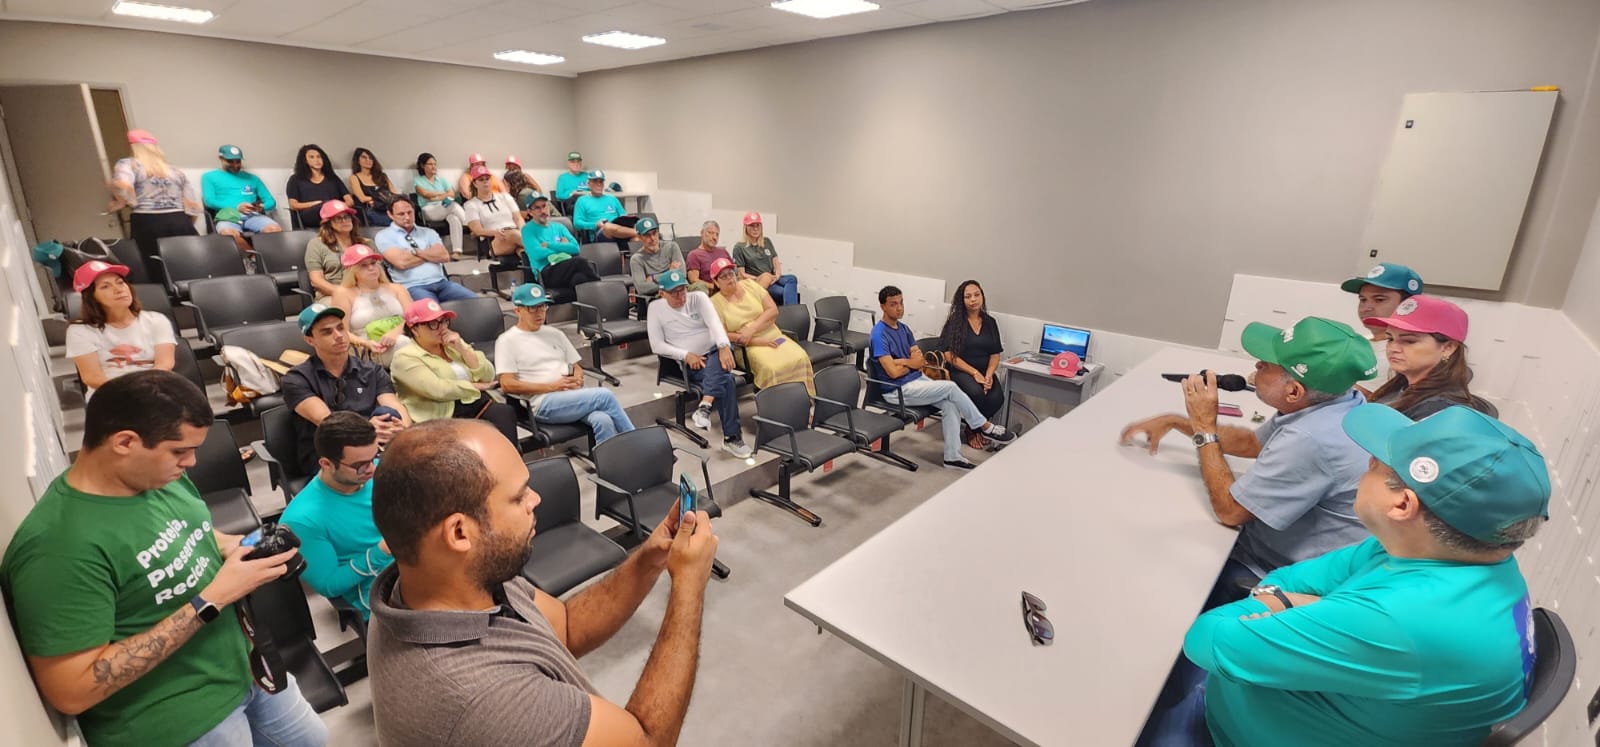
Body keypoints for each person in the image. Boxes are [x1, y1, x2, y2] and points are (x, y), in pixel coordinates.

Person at [1143, 404, 1549, 747]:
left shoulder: (1402, 618)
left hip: (1233, 732)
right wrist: (1297, 601)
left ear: (1402, 504)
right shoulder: (1452, 552)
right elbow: (1291, 579)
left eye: (1374, 462)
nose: (1363, 465)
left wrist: (1286, 603)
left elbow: (1207, 638)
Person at [0, 371, 326, 746]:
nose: (191, 462)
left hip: (249, 670)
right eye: (179, 451)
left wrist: (236, 546)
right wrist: (213, 598)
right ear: (125, 442)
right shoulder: (58, 548)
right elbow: (72, 689)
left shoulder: (157, 478)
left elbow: (193, 530)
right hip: (180, 721)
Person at [367, 418, 719, 746]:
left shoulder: (448, 577)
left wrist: (648, 560)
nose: (536, 499)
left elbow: (565, 627)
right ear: (459, 532)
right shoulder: (486, 700)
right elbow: (648, 741)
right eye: (518, 496)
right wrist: (688, 586)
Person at [1118, 317, 1378, 601]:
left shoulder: (1311, 438)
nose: (1256, 366)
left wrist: (1204, 428)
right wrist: (1179, 422)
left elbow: (1230, 512)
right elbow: (1252, 443)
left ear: (1294, 391)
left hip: (1276, 575)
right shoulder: (1339, 401)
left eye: (1266, 365)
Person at [872, 285, 1017, 470]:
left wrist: (903, 362)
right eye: (893, 304)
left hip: (917, 381)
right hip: (897, 390)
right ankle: (985, 426)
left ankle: (952, 457)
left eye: (901, 303)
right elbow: (893, 373)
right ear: (883, 306)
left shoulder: (904, 329)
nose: (899, 308)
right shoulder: (879, 334)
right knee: (950, 387)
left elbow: (920, 361)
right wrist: (910, 364)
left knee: (950, 404)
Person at [280, 411, 393, 621]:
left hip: (411, 566)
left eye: (374, 457)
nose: (371, 469)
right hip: (377, 595)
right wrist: (383, 551)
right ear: (326, 464)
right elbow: (329, 585)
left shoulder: (378, 472)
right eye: (360, 465)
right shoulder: (302, 519)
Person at [495, 283, 636, 443]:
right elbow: (507, 385)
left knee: (603, 420)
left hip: (571, 395)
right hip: (543, 402)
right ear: (517, 310)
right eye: (532, 308)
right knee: (604, 396)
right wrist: (552, 386)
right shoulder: (507, 341)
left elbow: (576, 366)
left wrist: (577, 377)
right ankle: (639, 445)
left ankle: (610, 459)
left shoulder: (555, 333)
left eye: (542, 306)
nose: (539, 313)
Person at [282, 303, 413, 475]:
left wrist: (400, 428)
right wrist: (368, 429)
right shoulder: (296, 379)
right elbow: (327, 422)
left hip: (374, 447)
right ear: (310, 340)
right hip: (330, 455)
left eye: (340, 328)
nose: (338, 336)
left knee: (391, 417)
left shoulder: (372, 370)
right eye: (327, 332)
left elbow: (395, 406)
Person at [647, 268, 753, 457]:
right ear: (662, 293)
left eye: (682, 290)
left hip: (715, 352)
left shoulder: (698, 298)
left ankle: (705, 406)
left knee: (724, 356)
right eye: (674, 292)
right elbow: (657, 345)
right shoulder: (655, 309)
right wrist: (686, 355)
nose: (681, 296)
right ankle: (731, 438)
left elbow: (715, 324)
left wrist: (723, 346)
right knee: (727, 380)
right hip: (694, 363)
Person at [390, 298, 518, 446]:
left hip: (473, 403)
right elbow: (438, 390)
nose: (442, 328)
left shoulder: (452, 342)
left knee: (504, 413)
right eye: (433, 324)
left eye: (444, 321)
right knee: (478, 436)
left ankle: (511, 458)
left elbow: (488, 375)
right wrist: (475, 386)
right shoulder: (405, 357)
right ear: (414, 329)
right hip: (441, 414)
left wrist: (462, 349)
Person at [1365, 295, 1495, 420]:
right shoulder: (1400, 387)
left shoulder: (1439, 411)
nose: (1393, 348)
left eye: (1409, 341)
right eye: (1390, 339)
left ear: (1448, 348)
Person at [66, 260, 176, 398]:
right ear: (91, 297)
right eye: (105, 286)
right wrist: (130, 393)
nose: (119, 289)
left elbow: (165, 364)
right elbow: (92, 377)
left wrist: (147, 391)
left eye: (120, 282)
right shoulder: (79, 331)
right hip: (111, 395)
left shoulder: (157, 320)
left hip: (155, 390)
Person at [708, 258, 814, 393]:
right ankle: (777, 404)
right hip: (748, 346)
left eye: (731, 273)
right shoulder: (714, 303)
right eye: (723, 276)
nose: (729, 278)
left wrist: (751, 329)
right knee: (772, 368)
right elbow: (722, 335)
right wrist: (756, 340)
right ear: (716, 282)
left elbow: (773, 310)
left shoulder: (750, 285)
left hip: (774, 336)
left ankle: (803, 399)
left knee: (801, 357)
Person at [107, 129, 199, 276]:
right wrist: (187, 224)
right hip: (180, 220)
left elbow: (122, 185)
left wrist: (121, 202)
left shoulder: (129, 164)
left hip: (148, 221)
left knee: (155, 268)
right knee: (188, 266)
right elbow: (193, 206)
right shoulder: (175, 171)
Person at [937, 280, 1005, 448]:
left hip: (984, 370)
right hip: (960, 370)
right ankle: (973, 430)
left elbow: (995, 353)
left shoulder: (990, 322)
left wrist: (989, 375)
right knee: (977, 393)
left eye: (976, 295)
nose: (973, 299)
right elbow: (948, 355)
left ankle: (978, 427)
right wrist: (974, 373)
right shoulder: (955, 322)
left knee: (997, 398)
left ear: (982, 296)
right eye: (968, 296)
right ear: (962, 300)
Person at [374, 199, 477, 303]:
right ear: (390, 215)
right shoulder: (384, 236)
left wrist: (416, 252)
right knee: (432, 311)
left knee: (478, 303)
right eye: (401, 214)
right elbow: (402, 263)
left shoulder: (428, 232)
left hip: (442, 283)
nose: (407, 217)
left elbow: (444, 256)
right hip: (413, 287)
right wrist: (431, 255)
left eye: (409, 212)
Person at [1341, 262, 1423, 389]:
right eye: (1363, 300)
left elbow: (1347, 397)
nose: (1366, 308)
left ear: (1407, 305)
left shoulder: (1396, 354)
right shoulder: (1364, 341)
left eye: (1379, 299)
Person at [329, 244, 413, 363]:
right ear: (352, 270)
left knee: (403, 342)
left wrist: (396, 332)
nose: (371, 268)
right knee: (404, 344)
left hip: (406, 339)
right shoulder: (343, 294)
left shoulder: (397, 288)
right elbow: (342, 331)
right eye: (363, 265)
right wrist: (366, 343)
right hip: (371, 350)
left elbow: (415, 318)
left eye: (373, 263)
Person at [202, 144, 282, 254]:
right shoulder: (209, 177)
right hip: (228, 216)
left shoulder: (252, 178)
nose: (235, 165)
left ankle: (267, 257)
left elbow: (271, 201)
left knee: (275, 230)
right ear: (221, 158)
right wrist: (237, 207)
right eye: (230, 161)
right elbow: (209, 201)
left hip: (252, 215)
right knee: (229, 235)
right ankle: (255, 258)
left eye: (238, 161)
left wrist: (262, 207)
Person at [521, 193, 604, 292]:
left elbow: (575, 248)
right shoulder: (527, 230)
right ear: (530, 212)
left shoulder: (559, 227)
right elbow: (537, 254)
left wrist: (549, 245)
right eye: (537, 208)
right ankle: (603, 290)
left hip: (566, 267)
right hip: (546, 271)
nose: (543, 211)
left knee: (580, 279)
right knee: (579, 262)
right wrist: (563, 247)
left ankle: (594, 298)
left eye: (544, 206)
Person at [304, 200, 369, 300]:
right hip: (332, 295)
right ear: (328, 223)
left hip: (366, 293)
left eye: (347, 216)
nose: (344, 221)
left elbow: (378, 275)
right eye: (338, 218)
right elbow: (316, 280)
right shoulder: (316, 244)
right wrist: (343, 293)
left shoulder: (366, 243)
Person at [732, 211, 798, 306]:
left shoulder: (767, 241)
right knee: (783, 292)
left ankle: (791, 311)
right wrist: (763, 278)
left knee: (792, 279)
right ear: (746, 227)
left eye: (758, 225)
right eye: (752, 226)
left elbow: (776, 261)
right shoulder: (739, 247)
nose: (755, 229)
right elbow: (741, 274)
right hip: (757, 281)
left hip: (773, 278)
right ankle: (792, 312)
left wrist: (777, 275)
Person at [284, 144, 353, 230]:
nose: (317, 160)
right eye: (312, 157)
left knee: (346, 214)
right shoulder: (296, 179)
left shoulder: (332, 178)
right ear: (305, 160)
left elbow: (349, 200)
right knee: (325, 206)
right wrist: (315, 204)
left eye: (319, 157)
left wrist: (338, 207)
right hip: (310, 214)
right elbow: (293, 205)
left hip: (336, 212)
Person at [412, 152, 467, 258]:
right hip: (428, 210)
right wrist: (443, 194)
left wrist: (436, 197)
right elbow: (425, 194)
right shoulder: (418, 180)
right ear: (422, 166)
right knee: (453, 205)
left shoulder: (441, 180)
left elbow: (451, 194)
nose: (434, 167)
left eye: (435, 164)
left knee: (454, 218)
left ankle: (457, 251)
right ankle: (470, 225)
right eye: (430, 164)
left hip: (444, 207)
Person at [463, 165, 524, 257]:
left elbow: (518, 218)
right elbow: (477, 230)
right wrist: (495, 232)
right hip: (492, 240)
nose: (485, 182)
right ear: (475, 184)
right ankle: (543, 249)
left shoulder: (505, 197)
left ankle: (536, 261)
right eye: (481, 180)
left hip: (514, 233)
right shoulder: (471, 205)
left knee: (522, 250)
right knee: (515, 235)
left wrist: (524, 231)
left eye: (487, 179)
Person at [628, 216, 684, 316]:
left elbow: (682, 274)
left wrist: (654, 277)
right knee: (669, 298)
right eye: (647, 235)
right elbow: (642, 288)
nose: (652, 238)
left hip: (679, 289)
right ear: (639, 237)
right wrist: (670, 272)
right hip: (656, 296)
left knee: (698, 293)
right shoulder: (636, 259)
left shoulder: (671, 247)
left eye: (654, 233)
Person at [572, 169, 638, 243]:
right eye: (595, 181)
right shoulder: (582, 201)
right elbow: (577, 223)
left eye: (601, 181)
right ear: (589, 184)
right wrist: (595, 225)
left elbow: (623, 215)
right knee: (607, 226)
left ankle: (639, 234)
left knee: (638, 239)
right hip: (598, 234)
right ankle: (640, 232)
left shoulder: (613, 199)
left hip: (619, 232)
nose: (599, 184)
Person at [348, 147, 398, 227]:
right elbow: (362, 198)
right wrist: (382, 199)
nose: (368, 160)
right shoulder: (354, 177)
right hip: (369, 210)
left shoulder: (382, 176)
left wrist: (375, 200)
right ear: (358, 160)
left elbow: (394, 194)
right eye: (364, 157)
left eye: (370, 158)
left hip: (387, 207)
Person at [684, 220, 733, 293]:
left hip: (730, 288)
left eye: (717, 234)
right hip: (711, 291)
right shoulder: (694, 255)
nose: (714, 237)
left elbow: (734, 272)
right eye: (710, 233)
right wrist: (715, 287)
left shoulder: (723, 252)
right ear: (702, 233)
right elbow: (694, 280)